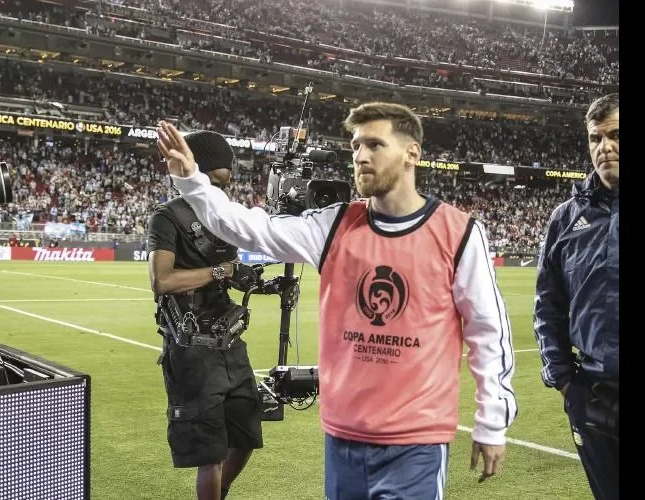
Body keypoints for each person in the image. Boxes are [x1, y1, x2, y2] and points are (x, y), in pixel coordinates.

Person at [155, 103, 518, 499]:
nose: (361, 156)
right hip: (343, 434)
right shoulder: (334, 225)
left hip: (415, 440)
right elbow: (245, 227)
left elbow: (488, 331)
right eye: (356, 146)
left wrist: (492, 422)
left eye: (375, 144)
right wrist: (191, 179)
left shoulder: (458, 232)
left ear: (412, 153)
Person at [148, 130, 264, 500]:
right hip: (192, 347)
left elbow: (232, 270)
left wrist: (264, 283)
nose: (224, 181)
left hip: (229, 342)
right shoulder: (167, 217)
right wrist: (222, 272)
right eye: (216, 175)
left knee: (245, 437)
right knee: (210, 455)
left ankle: (221, 493)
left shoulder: (224, 213)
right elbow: (162, 281)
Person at [533, 93, 619, 500]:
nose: (605, 148)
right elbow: (547, 305)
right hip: (592, 396)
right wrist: (565, 381)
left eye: (616, 135)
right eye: (596, 138)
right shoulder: (565, 219)